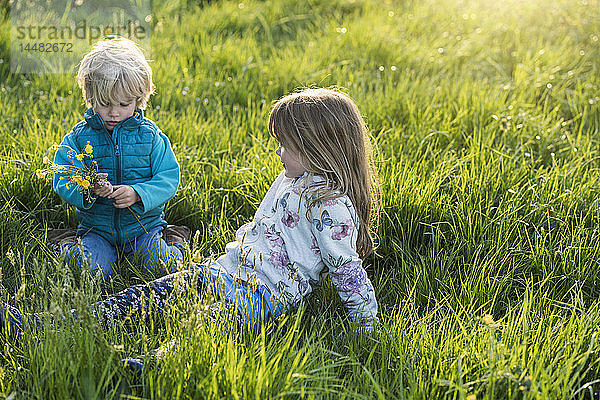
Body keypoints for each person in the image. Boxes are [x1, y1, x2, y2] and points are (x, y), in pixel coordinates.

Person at [1, 87, 381, 371]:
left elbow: (347, 270)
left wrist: (366, 327)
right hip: (224, 270)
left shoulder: (330, 208)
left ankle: (151, 364)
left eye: (287, 146)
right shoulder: (290, 178)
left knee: (208, 326)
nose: (278, 153)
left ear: (320, 148)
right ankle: (46, 324)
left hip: (267, 293)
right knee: (144, 296)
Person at [51, 37, 188, 277]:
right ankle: (66, 242)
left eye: (124, 104)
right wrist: (88, 188)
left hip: (143, 227)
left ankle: (175, 239)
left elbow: (168, 178)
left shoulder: (150, 137)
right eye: (105, 104)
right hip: (97, 229)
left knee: (162, 268)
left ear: (138, 100)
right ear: (91, 98)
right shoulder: (79, 138)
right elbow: (62, 176)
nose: (114, 112)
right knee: (91, 271)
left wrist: (138, 193)